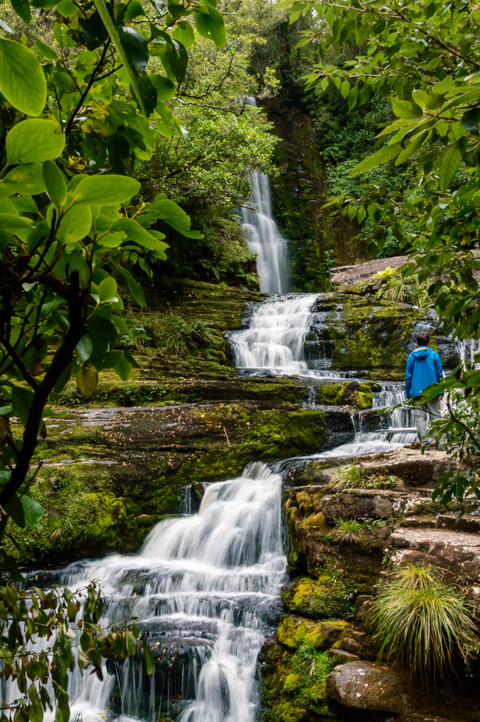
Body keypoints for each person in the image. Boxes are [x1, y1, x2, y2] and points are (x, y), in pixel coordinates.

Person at [404, 331, 444, 447]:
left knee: (420, 418)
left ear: (417, 342)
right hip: (432, 391)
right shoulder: (434, 355)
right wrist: (441, 391)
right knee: (436, 417)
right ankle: (440, 443)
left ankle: (425, 444)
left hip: (416, 392)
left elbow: (408, 378)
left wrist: (408, 395)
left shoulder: (411, 357)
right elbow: (439, 375)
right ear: (428, 341)